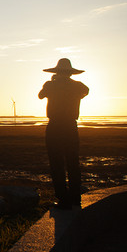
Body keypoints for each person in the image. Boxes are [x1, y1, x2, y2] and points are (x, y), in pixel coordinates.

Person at [38, 58, 89, 209]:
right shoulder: (79, 86)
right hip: (71, 126)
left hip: (55, 126)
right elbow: (85, 92)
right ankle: (75, 197)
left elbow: (41, 95)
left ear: (57, 71)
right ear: (70, 72)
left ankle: (63, 199)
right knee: (73, 162)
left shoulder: (50, 85)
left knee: (56, 163)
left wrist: (53, 81)